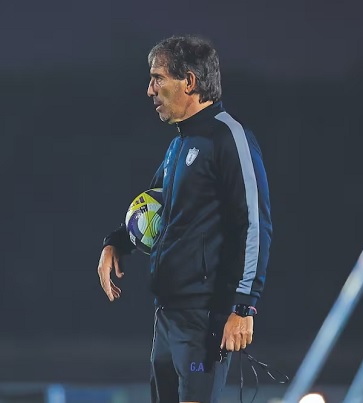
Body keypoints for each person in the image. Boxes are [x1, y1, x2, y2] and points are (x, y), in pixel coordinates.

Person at [97, 35, 272, 403]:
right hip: (167, 315)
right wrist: (116, 242)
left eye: (157, 78)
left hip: (204, 318)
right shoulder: (179, 145)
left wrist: (244, 306)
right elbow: (155, 209)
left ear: (189, 81)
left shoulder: (229, 137)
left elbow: (253, 224)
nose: (150, 90)